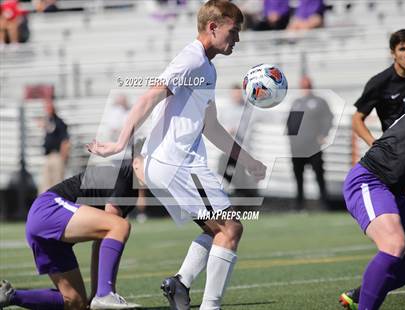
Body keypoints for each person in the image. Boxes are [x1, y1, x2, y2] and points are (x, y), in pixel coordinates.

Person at [87, 1, 267, 309]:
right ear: (213, 27)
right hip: (177, 163)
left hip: (170, 165)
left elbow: (211, 126)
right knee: (231, 228)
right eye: (233, 31)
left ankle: (180, 283)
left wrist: (246, 158)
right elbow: (151, 94)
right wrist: (120, 143)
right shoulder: (192, 58)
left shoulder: (206, 67)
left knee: (216, 231)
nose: (237, 39)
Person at [340, 28, 405, 309]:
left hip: (396, 183)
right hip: (370, 181)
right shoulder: (382, 83)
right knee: (394, 244)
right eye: (403, 49)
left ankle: (362, 295)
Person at [0, 159, 141, 310]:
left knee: (75, 302)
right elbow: (113, 228)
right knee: (120, 225)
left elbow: (102, 241)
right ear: (138, 162)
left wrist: (95, 295)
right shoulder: (124, 177)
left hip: (43, 223)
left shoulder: (132, 186)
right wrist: (104, 293)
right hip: (48, 209)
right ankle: (105, 294)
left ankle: (9, 295)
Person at [287, 75, 333, 210]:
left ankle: (324, 202)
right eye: (303, 87)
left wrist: (323, 134)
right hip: (298, 147)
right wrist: (292, 141)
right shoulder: (297, 102)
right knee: (298, 176)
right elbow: (291, 124)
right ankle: (299, 204)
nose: (305, 89)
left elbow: (328, 118)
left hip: (313, 146)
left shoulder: (320, 102)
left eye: (307, 86)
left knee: (319, 174)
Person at [38, 98, 71, 194]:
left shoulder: (59, 122)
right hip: (48, 156)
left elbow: (65, 141)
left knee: (57, 183)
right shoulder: (48, 121)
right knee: (45, 185)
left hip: (57, 156)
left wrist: (63, 157)